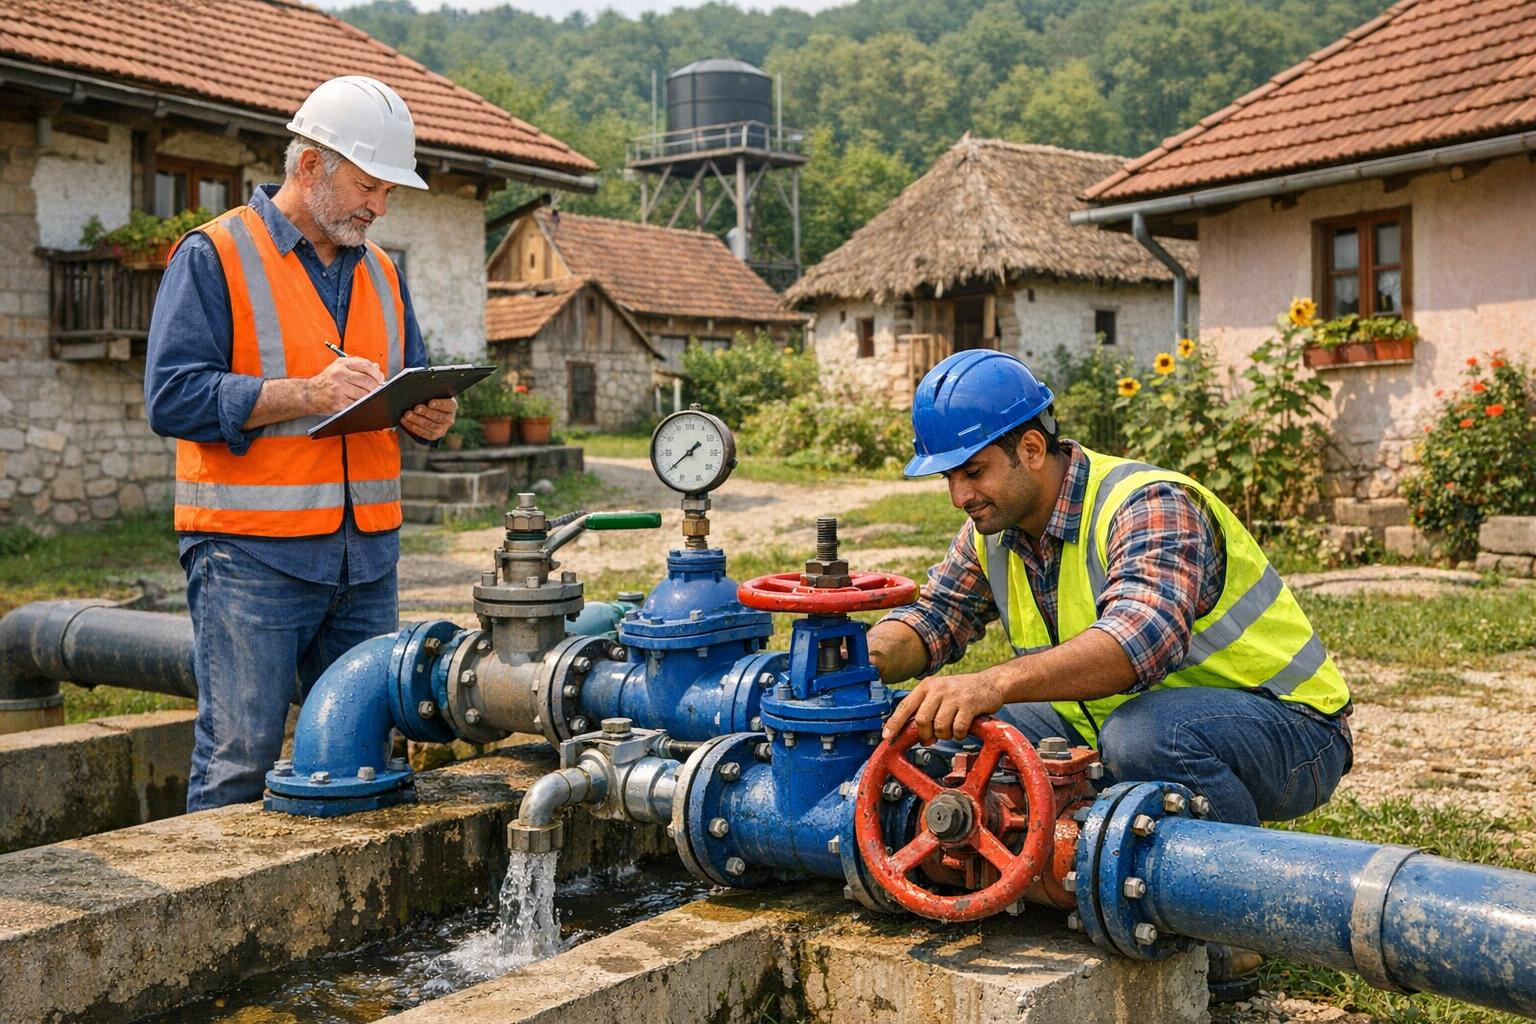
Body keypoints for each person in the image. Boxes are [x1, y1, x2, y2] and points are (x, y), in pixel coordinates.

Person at [145, 76, 457, 810]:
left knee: (356, 755)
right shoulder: (213, 254)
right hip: (252, 555)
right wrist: (303, 394)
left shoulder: (382, 270)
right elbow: (171, 396)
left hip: (366, 558)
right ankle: (210, 923)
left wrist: (426, 414)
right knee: (238, 759)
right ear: (310, 165)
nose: (379, 207)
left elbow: (405, 382)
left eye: (388, 194)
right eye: (369, 186)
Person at [872, 349, 1352, 826]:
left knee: (1141, 736)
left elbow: (1136, 643)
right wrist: (867, 656)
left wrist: (991, 682)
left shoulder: (1146, 503)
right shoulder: (991, 532)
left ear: (1032, 450)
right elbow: (936, 618)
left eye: (974, 472)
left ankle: (1227, 882)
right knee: (944, 729)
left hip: (1293, 728)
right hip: (1113, 721)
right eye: (949, 478)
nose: (960, 497)